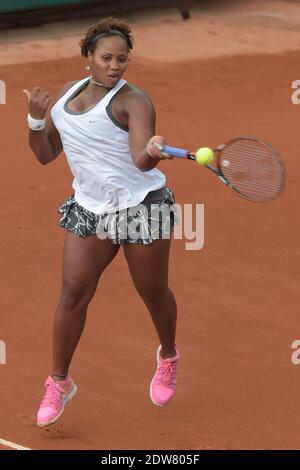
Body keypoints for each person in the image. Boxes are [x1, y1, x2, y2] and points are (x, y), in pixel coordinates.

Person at [23, 17, 180, 428]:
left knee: (153, 293)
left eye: (122, 59)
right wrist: (36, 122)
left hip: (140, 208)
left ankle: (168, 355)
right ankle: (59, 382)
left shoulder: (135, 102)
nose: (115, 66)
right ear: (88, 57)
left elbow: (140, 161)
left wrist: (153, 148)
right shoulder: (65, 95)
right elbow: (44, 154)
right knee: (73, 294)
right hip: (91, 209)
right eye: (107, 58)